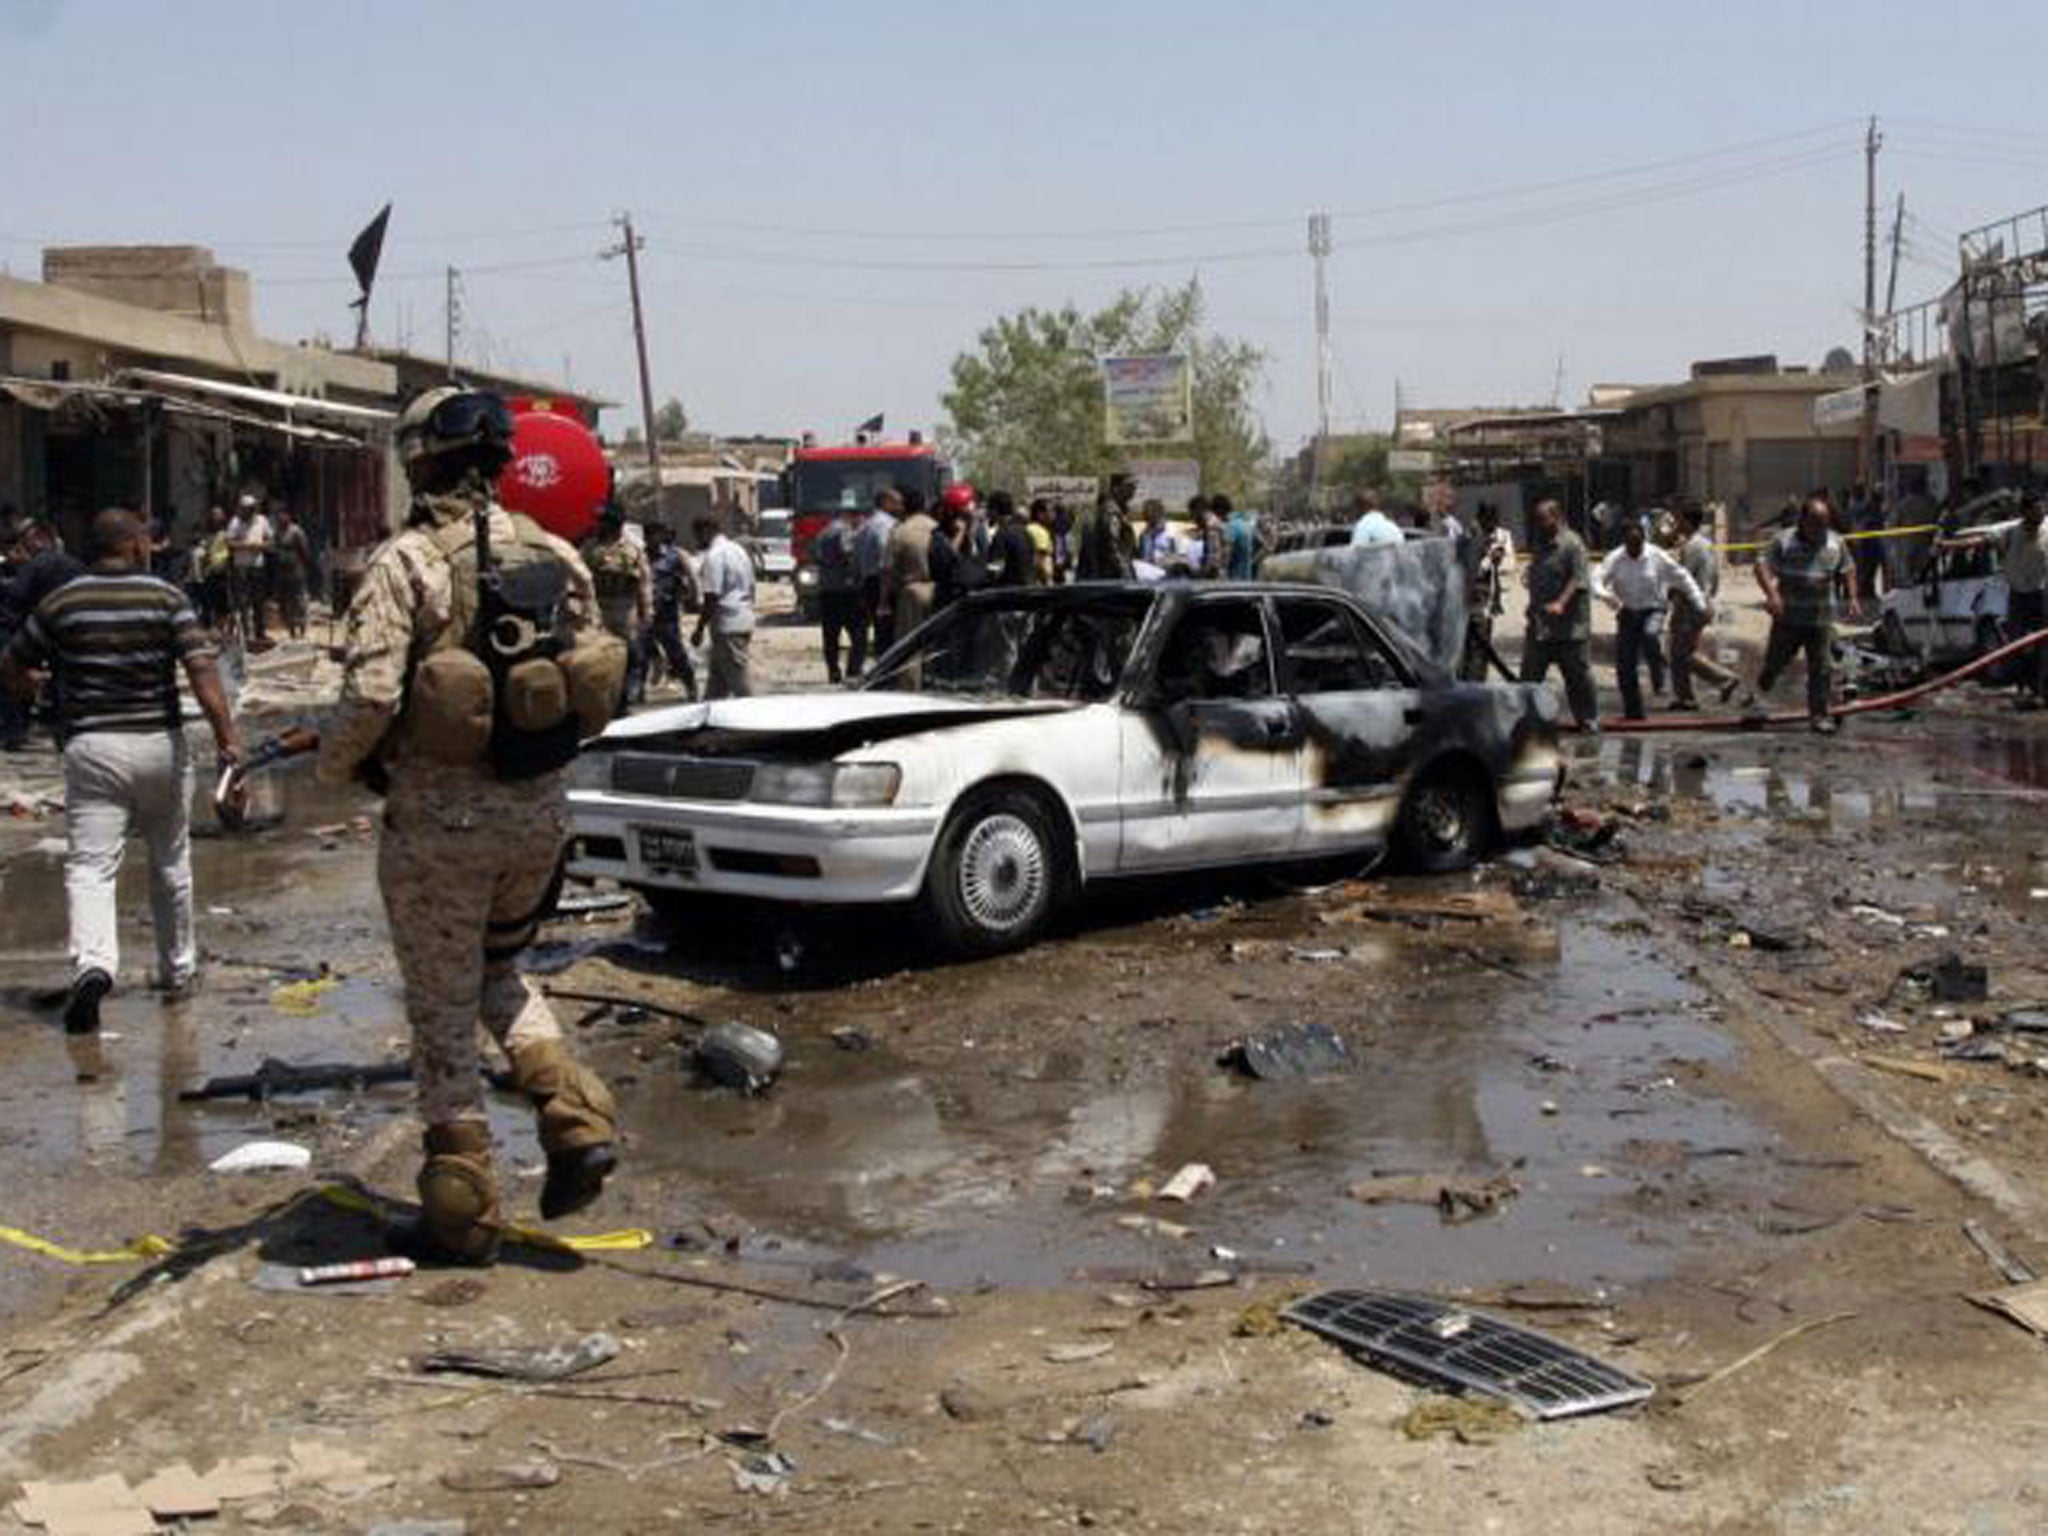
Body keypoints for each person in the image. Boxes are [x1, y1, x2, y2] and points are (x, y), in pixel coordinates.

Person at [318, 386, 622, 1264]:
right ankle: (573, 1119)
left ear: (422, 460)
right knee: (500, 969)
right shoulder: (558, 554)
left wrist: (332, 768)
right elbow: (591, 674)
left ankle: (461, 1210)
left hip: (440, 827)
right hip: (539, 817)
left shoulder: (406, 561)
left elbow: (372, 694)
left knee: (441, 1011)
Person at [1, 508, 241, 1031]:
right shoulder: (166, 597)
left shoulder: (62, 602)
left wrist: (34, 686)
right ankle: (178, 970)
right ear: (134, 546)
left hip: (91, 747)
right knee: (170, 861)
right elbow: (202, 672)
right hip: (159, 743)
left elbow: (12, 662)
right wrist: (228, 742)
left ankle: (93, 966)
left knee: (91, 866)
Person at [1747, 493, 1858, 733]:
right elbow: (1761, 566)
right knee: (1775, 664)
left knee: (1821, 667)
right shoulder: (1784, 541)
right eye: (1816, 523)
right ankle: (1761, 686)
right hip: (1788, 618)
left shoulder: (1835, 542)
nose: (1820, 529)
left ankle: (1819, 716)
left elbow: (1848, 568)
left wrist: (1852, 596)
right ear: (1803, 521)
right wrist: (1772, 595)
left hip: (1820, 618)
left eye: (1825, 523)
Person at [1941, 489, 2048, 709]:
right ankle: (2023, 687)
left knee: (2043, 645)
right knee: (2016, 646)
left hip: (2043, 594)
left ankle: (2042, 690)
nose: (2040, 515)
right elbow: (1979, 541)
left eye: (2042, 511)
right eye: (2036, 511)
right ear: (2025, 512)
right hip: (2018, 594)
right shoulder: (2010, 532)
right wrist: (1948, 546)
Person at [1593, 516, 1706, 721]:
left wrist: (1699, 602)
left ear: (1644, 540)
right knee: (1625, 665)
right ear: (1624, 542)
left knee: (1650, 634)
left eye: (1638, 544)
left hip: (1654, 608)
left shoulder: (1657, 556)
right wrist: (1605, 595)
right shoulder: (1615, 558)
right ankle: (1633, 711)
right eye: (1630, 545)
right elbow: (1596, 579)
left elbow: (1682, 577)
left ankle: (1659, 676)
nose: (1635, 550)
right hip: (1627, 612)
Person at [1519, 497, 1600, 731]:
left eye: (1544, 520)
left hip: (1569, 628)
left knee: (1578, 678)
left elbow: (1578, 580)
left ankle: (1588, 720)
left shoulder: (1572, 544)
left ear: (1557, 517)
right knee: (1529, 677)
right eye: (1537, 520)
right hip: (1541, 626)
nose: (1540, 525)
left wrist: (1561, 603)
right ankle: (1526, 722)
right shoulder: (1540, 544)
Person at [1666, 503, 1741, 708]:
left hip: (1690, 605)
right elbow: (1714, 579)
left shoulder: (1692, 547)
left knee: (1683, 652)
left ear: (1687, 521)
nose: (1675, 524)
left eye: (1678, 519)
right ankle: (1685, 698)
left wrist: (1672, 597)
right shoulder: (1705, 545)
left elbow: (1684, 579)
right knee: (1679, 651)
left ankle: (1724, 678)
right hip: (1702, 602)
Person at [693, 513, 757, 699]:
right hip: (742, 619)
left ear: (706, 531)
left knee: (741, 684)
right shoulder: (738, 550)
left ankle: (758, 719)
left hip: (727, 626)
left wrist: (699, 628)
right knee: (717, 686)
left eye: (697, 535)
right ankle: (708, 719)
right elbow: (752, 587)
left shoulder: (715, 556)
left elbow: (712, 596)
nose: (697, 540)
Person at [643, 523, 699, 700]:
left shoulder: (674, 556)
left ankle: (690, 684)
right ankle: (638, 691)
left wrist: (693, 598)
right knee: (641, 650)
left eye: (655, 535)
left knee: (676, 652)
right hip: (644, 612)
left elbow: (692, 577)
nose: (652, 539)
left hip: (666, 612)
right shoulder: (640, 555)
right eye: (648, 535)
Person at [1459, 501, 1514, 682]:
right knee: (1471, 647)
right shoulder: (1471, 537)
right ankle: (1469, 683)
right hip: (1472, 600)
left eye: (1494, 521)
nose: (1492, 526)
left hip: (1487, 599)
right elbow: (1471, 569)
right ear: (1481, 519)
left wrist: (1497, 560)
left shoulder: (1501, 536)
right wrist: (1488, 559)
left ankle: (1476, 682)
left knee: (1481, 646)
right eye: (1488, 521)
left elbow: (1509, 567)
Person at [812, 504, 864, 683]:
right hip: (847, 590)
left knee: (830, 635)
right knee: (858, 633)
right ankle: (853, 670)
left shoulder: (822, 534)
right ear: (849, 516)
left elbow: (816, 557)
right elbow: (847, 553)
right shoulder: (845, 531)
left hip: (827, 590)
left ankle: (833, 671)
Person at [883, 487, 937, 638]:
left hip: (911, 594)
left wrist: (884, 601)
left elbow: (887, 568)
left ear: (905, 507)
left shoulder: (900, 531)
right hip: (937, 591)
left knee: (910, 642)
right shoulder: (936, 527)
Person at [856, 488, 899, 652]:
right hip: (883, 583)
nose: (900, 507)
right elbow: (885, 560)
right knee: (887, 631)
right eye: (897, 503)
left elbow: (856, 558)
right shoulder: (886, 525)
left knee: (879, 628)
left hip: (868, 582)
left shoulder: (866, 524)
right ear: (886, 503)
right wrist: (885, 595)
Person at [226, 492, 272, 642]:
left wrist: (260, 546)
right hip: (241, 566)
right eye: (246, 508)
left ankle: (260, 632)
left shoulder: (262, 521)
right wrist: (246, 545)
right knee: (243, 601)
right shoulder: (235, 522)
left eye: (251, 508)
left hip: (258, 565)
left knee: (259, 600)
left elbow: (270, 541)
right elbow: (230, 543)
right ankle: (246, 633)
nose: (249, 511)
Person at [271, 507, 314, 639]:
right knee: (285, 602)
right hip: (282, 572)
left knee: (298, 601)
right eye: (278, 517)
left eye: (283, 516)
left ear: (288, 516)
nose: (281, 519)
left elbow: (305, 551)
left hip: (296, 570)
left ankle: (301, 629)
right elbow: (275, 549)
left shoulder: (296, 531)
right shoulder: (277, 532)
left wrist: (303, 566)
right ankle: (291, 630)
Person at [984, 490, 1038, 588]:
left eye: (988, 509)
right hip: (1028, 590)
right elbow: (1034, 561)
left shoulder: (1002, 535)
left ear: (995, 510)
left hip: (1010, 594)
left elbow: (995, 569)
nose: (987, 513)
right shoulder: (1024, 531)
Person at [1222, 496, 1261, 580]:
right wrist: (1253, 561)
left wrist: (1223, 568)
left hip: (1235, 574)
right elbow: (1267, 546)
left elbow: (1228, 549)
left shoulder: (1231, 525)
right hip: (1248, 573)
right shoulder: (1248, 526)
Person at [1026, 497, 1058, 585]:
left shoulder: (1029, 528)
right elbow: (1041, 560)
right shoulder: (1040, 532)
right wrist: (1048, 581)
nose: (1054, 514)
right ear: (1040, 514)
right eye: (1051, 511)